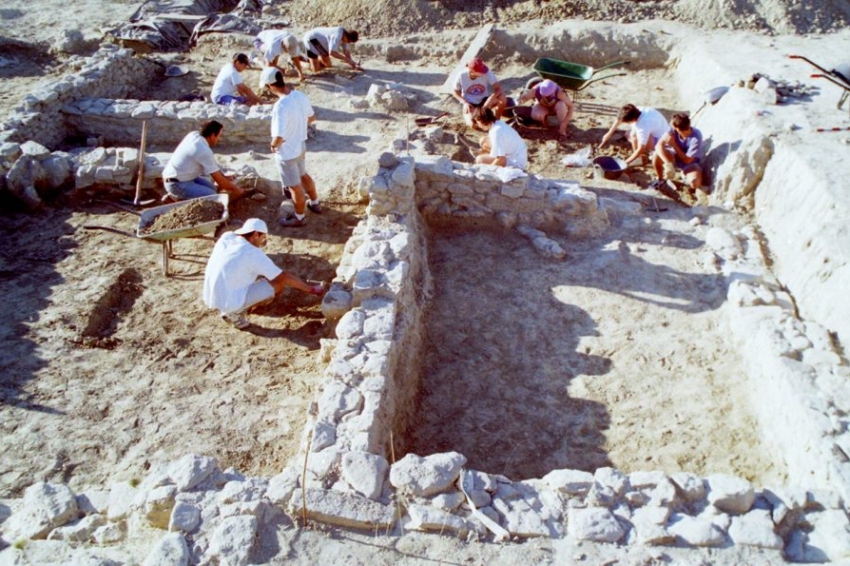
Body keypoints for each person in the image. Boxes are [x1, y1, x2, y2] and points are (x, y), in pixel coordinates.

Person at [203, 218, 325, 330]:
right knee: (277, 284)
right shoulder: (252, 253)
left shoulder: (227, 236)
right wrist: (311, 290)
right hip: (228, 301)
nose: (263, 242)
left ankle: (238, 306)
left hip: (211, 295)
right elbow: (283, 277)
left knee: (257, 275)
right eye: (263, 238)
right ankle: (234, 314)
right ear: (255, 235)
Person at [262, 67, 323, 228]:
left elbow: (278, 136)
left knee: (294, 187)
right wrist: (297, 125)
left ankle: (300, 217)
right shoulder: (299, 95)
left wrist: (273, 146)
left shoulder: (280, 106)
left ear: (270, 86)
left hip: (287, 152)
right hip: (301, 145)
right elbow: (311, 117)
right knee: (304, 175)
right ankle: (315, 203)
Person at [162, 121, 246, 200]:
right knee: (214, 197)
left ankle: (178, 197)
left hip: (183, 177)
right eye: (219, 136)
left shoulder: (194, 135)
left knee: (214, 189)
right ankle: (175, 199)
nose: (219, 139)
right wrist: (237, 191)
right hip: (176, 184)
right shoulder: (203, 151)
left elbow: (214, 169)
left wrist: (225, 177)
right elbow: (220, 181)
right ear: (212, 135)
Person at [599, 104, 668, 167]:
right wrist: (609, 134)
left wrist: (624, 164)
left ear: (632, 120)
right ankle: (638, 158)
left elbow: (641, 149)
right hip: (659, 130)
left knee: (633, 135)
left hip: (662, 142)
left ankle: (650, 154)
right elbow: (619, 119)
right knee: (631, 134)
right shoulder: (636, 110)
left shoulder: (643, 126)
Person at [652, 112, 704, 190]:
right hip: (674, 156)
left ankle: (684, 176)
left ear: (678, 129)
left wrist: (674, 145)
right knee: (656, 154)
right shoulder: (673, 129)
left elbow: (687, 160)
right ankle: (660, 179)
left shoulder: (696, 137)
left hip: (689, 162)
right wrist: (667, 164)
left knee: (695, 183)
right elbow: (658, 146)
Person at [453, 57, 508, 127]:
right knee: (473, 125)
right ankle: (479, 118)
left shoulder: (487, 72)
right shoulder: (461, 75)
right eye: (481, 71)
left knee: (502, 98)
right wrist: (464, 103)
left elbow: (498, 89)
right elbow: (455, 91)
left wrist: (489, 100)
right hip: (470, 103)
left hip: (484, 100)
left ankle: (497, 121)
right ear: (472, 72)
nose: (484, 72)